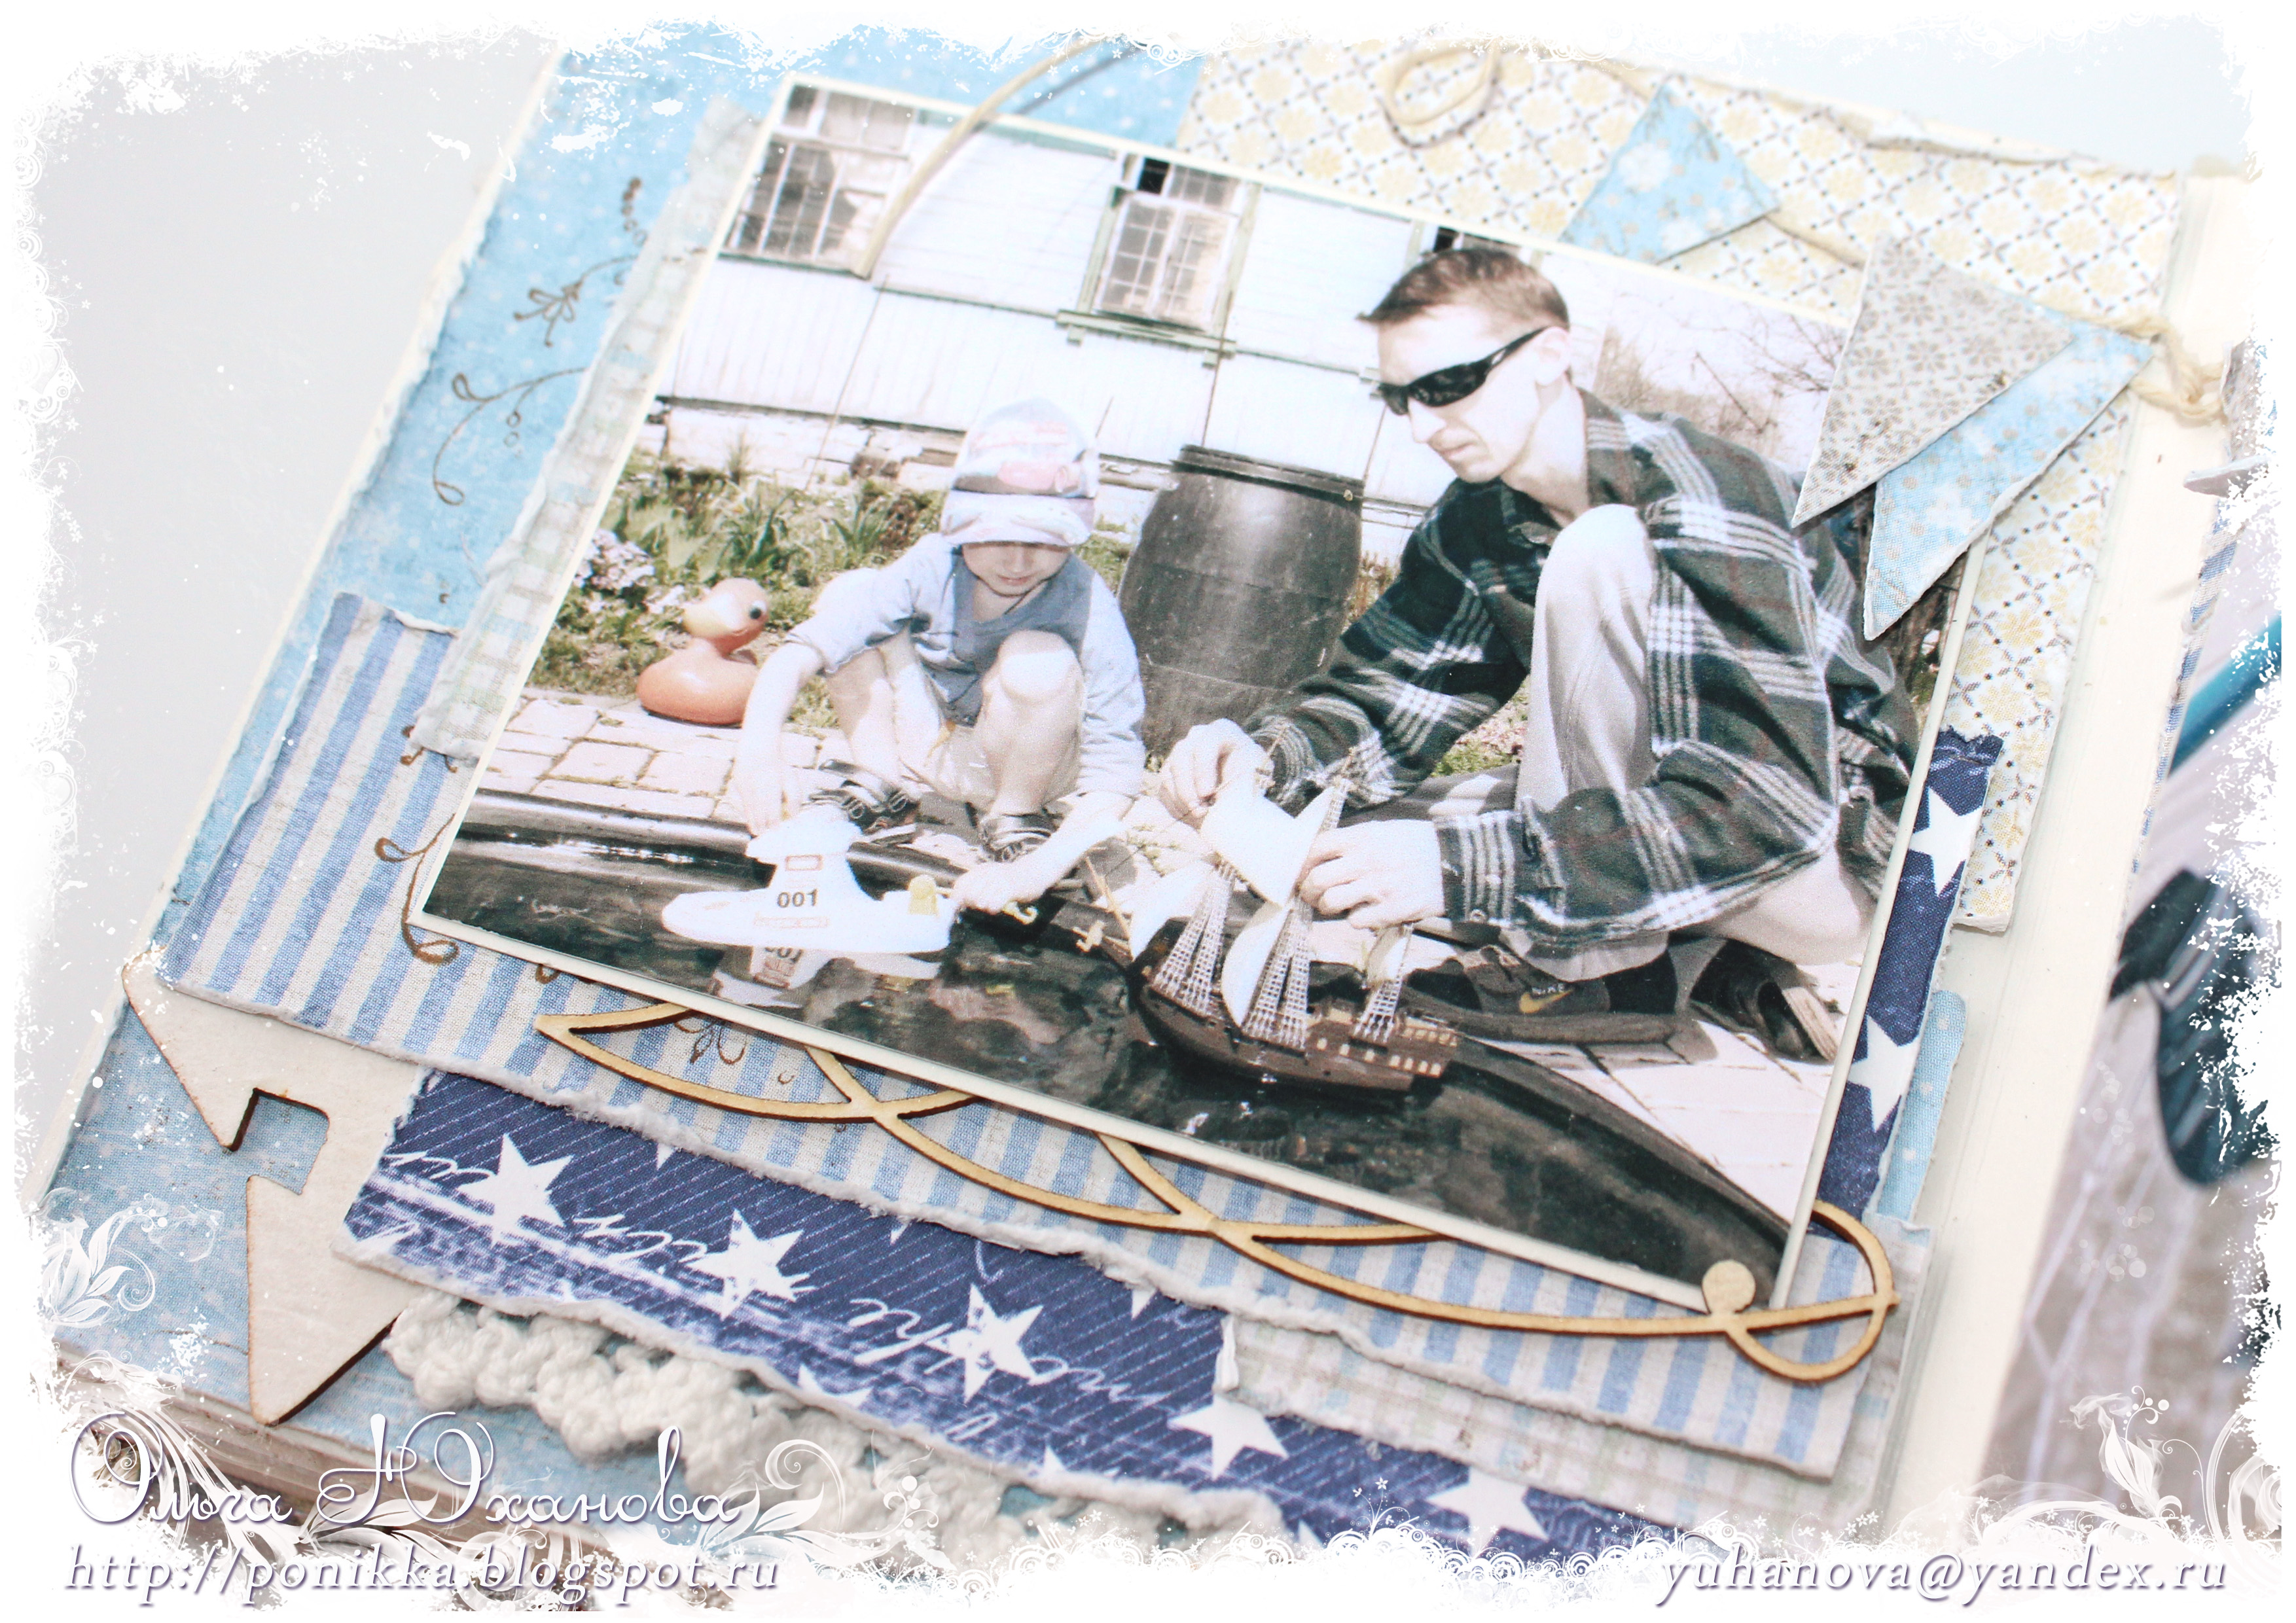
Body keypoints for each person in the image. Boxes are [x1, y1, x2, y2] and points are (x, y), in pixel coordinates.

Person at [1155, 249, 1918, 1052]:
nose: (1422, 426)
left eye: (1449, 385)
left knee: (1600, 552)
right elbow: (1387, 695)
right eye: (1400, 397)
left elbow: (1762, 812)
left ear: (1551, 354)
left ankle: (1592, 969)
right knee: (1331, 846)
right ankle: (1699, 948)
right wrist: (1262, 762)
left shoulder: (1700, 494)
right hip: (1676, 813)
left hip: (1825, 863)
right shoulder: (1480, 513)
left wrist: (1459, 867)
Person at [732, 398, 1145, 918]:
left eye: (1043, 542)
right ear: (962, 523)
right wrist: (757, 754)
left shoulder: (1085, 598)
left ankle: (1015, 818)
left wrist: (1038, 871)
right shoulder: (933, 563)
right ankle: (885, 784)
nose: (1018, 561)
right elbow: (803, 650)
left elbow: (1116, 768)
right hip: (928, 741)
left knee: (1037, 657)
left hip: (1027, 759)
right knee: (851, 593)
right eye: (996, 536)